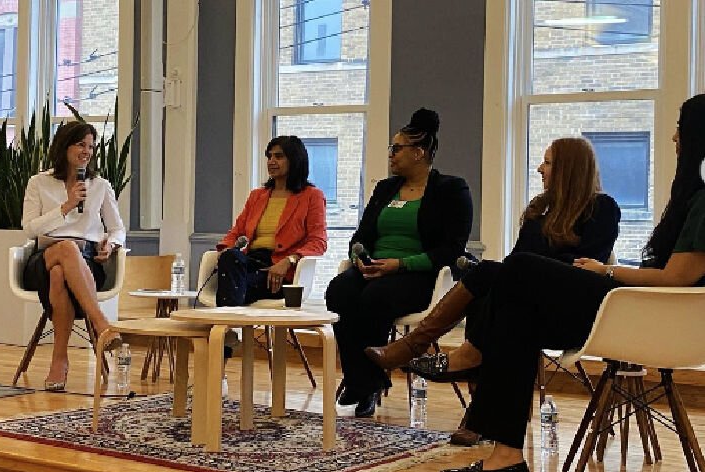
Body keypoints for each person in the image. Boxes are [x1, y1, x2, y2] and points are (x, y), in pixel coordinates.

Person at [431, 93, 705, 472]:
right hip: (633, 310)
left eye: (681, 129)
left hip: (645, 318)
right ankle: (505, 457)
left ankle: (469, 355)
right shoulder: (690, 200)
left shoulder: (699, 203)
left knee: (514, 270)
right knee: (514, 313)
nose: (673, 138)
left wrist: (609, 271)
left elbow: (678, 278)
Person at [365, 137, 621, 443]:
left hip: (571, 315)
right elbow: (517, 266)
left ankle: (439, 357)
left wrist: (534, 268)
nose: (540, 169)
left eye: (548, 162)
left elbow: (580, 267)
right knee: (490, 290)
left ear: (569, 168)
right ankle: (475, 411)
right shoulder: (540, 212)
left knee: (490, 277)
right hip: (527, 309)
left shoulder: (602, 208)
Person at [325, 108, 473, 418]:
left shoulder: (451, 189)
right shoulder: (385, 188)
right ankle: (365, 380)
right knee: (339, 291)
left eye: (397, 148)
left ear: (419, 153)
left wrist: (400, 265)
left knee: (375, 297)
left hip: (419, 275)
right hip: (374, 268)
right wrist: (360, 258)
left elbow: (451, 249)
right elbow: (360, 236)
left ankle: (362, 383)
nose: (391, 154)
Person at [22, 121, 126, 392]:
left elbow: (117, 229)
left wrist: (111, 244)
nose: (87, 151)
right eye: (81, 144)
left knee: (61, 273)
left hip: (88, 261)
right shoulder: (39, 183)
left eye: (91, 146)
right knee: (64, 250)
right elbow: (30, 228)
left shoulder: (100, 185)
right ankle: (101, 323)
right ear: (64, 146)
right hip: (44, 256)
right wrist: (66, 206)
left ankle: (59, 361)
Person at [215, 136, 327, 308]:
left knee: (234, 284)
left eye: (279, 156)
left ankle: (224, 328)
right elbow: (236, 232)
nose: (271, 161)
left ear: (295, 159)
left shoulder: (312, 196)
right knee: (231, 257)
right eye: (269, 156)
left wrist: (289, 261)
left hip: (280, 270)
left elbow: (318, 242)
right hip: (250, 262)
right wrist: (225, 248)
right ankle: (229, 327)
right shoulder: (257, 196)